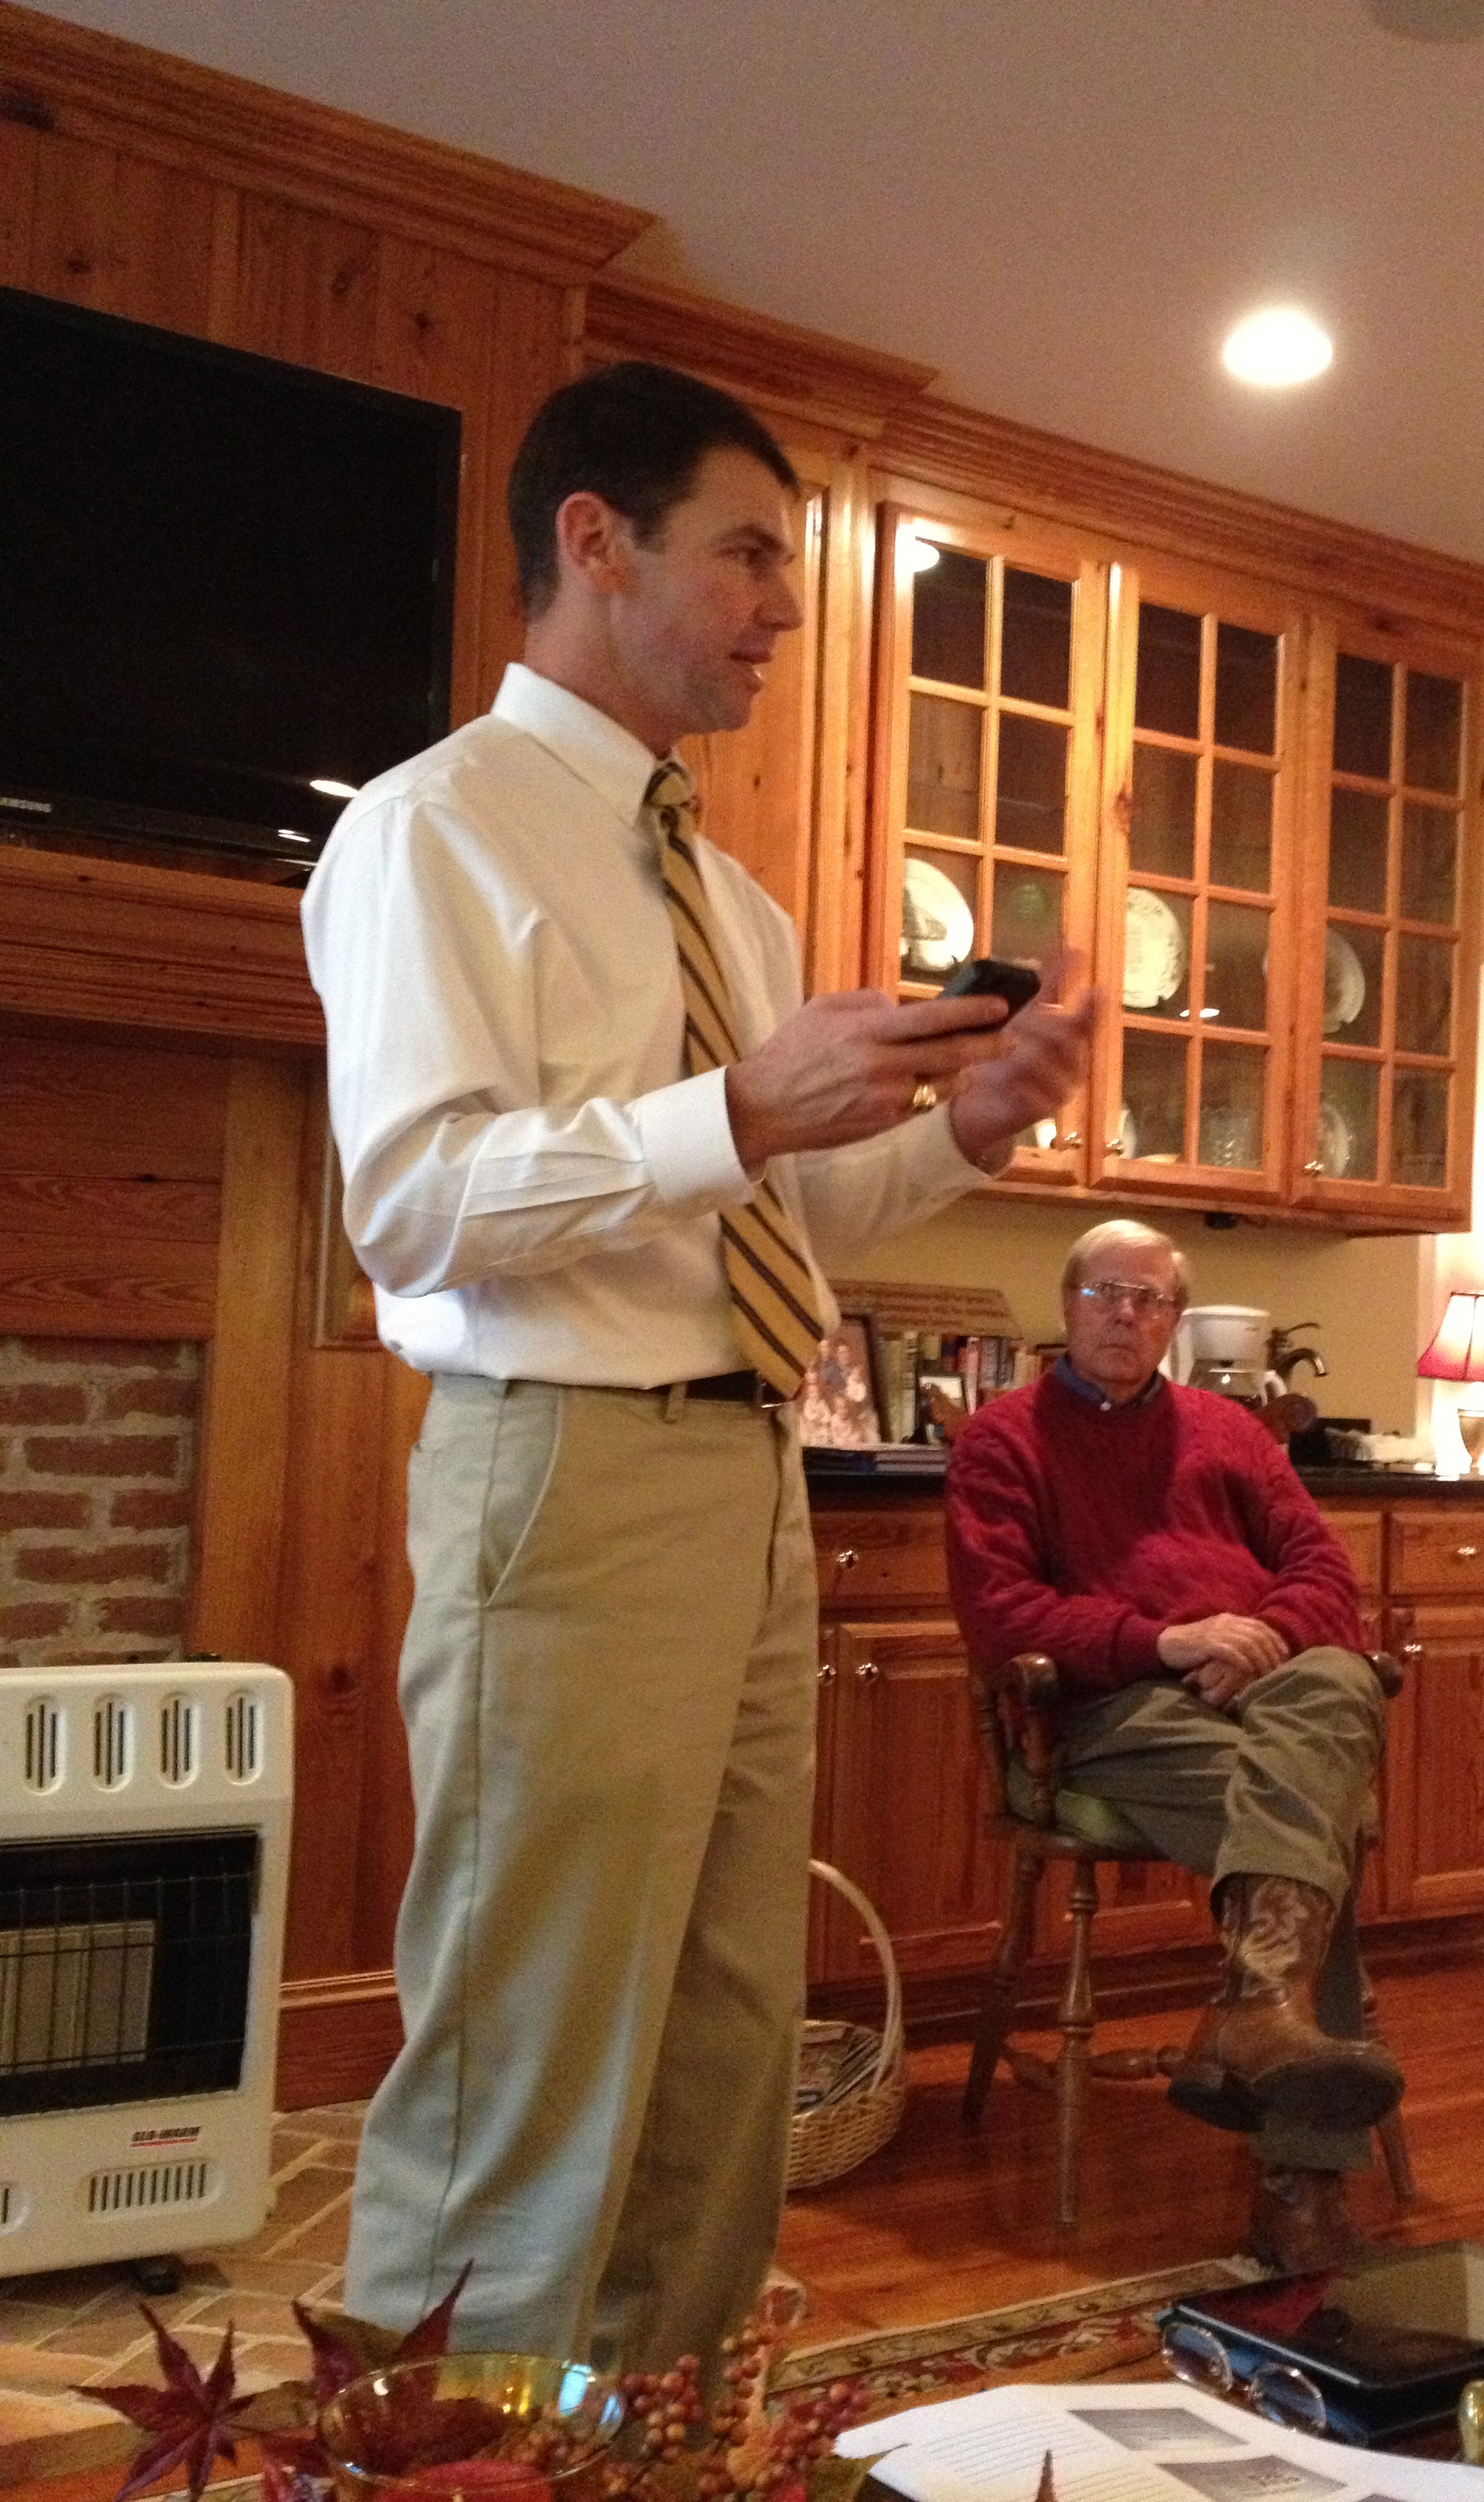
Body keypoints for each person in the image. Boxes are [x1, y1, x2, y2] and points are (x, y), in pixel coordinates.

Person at [303, 360, 1096, 2371]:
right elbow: (411, 1205)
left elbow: (781, 1219)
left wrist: (965, 1123)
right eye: (746, 554)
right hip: (564, 1478)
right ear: (596, 540)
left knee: (732, 2037)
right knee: (533, 2052)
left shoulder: (729, 901)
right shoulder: (433, 832)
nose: (783, 608)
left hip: (747, 1480)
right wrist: (738, 1105)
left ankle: (653, 2441)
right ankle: (454, 2472)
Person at [944, 1220, 1404, 2273]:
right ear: (1067, 1307)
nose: (1125, 1314)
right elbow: (1004, 1616)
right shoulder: (1003, 1440)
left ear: (1176, 1322)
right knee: (1314, 1814)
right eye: (1104, 1293)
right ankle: (1301, 2188)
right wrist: (1166, 1641)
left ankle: (1256, 2011)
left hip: (1261, 1694)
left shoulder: (1230, 1432)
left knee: (1338, 1677)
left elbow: (1325, 1573)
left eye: (1149, 1299)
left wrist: (1266, 1639)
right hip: (1116, 1711)